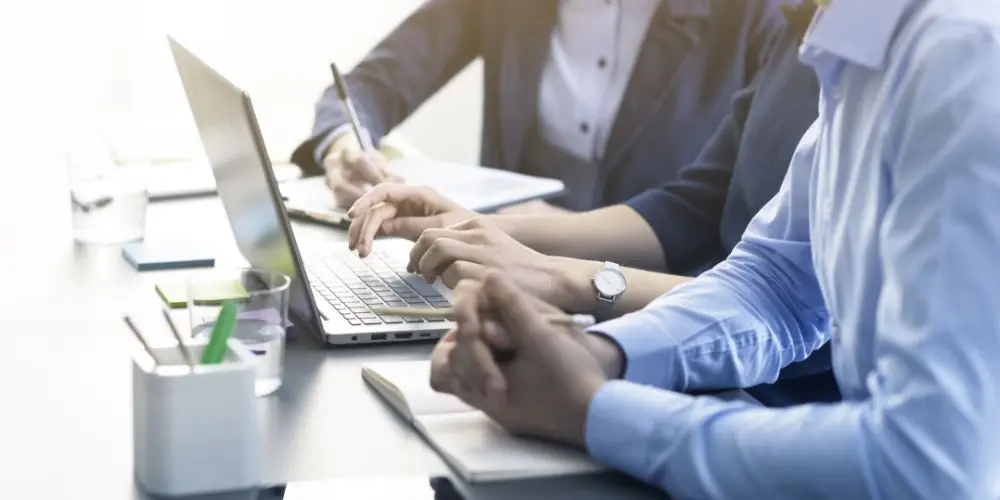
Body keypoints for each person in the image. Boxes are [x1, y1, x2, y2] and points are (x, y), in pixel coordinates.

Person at [429, 0, 1000, 497]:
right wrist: (600, 355)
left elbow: (931, 468)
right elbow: (777, 282)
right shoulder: (851, 41)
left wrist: (594, 411)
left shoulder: (964, 52)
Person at [347, 2, 834, 407]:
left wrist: (563, 278)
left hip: (774, 395)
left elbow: (798, 310)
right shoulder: (805, 28)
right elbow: (692, 207)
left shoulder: (871, 62)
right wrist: (482, 227)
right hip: (699, 356)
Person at [291, 0, 785, 212]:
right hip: (497, 276)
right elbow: (371, 83)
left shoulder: (755, 14)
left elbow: (752, 208)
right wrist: (345, 145)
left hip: (657, 293)